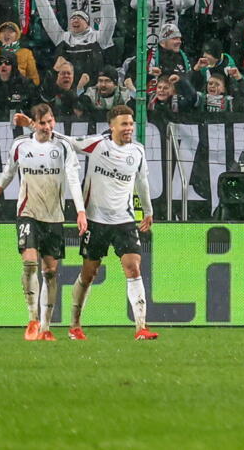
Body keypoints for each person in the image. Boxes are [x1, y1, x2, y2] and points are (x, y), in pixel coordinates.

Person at [42, 103, 157, 340]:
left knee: (133, 267)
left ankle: (141, 327)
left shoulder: (138, 151)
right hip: (95, 221)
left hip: (124, 220)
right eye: (124, 124)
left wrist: (147, 210)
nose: (129, 128)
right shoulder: (98, 144)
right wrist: (41, 129)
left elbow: (142, 181)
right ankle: (75, 325)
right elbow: (68, 140)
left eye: (131, 123)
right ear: (111, 126)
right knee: (89, 273)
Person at [0, 101, 85, 340]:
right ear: (35, 124)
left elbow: (72, 179)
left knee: (50, 271)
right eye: (43, 122)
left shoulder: (63, 147)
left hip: (54, 217)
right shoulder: (21, 145)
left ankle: (46, 328)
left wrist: (80, 211)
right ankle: (32, 319)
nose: (48, 126)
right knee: (29, 262)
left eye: (51, 121)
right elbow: (8, 172)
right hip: (28, 213)